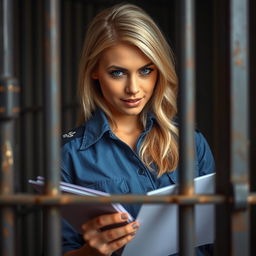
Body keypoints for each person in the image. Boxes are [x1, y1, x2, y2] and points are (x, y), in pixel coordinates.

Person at [61, 3, 215, 256]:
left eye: (145, 70)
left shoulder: (191, 142)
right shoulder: (70, 154)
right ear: (95, 72)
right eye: (118, 72)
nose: (133, 88)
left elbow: (219, 237)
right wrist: (91, 252)